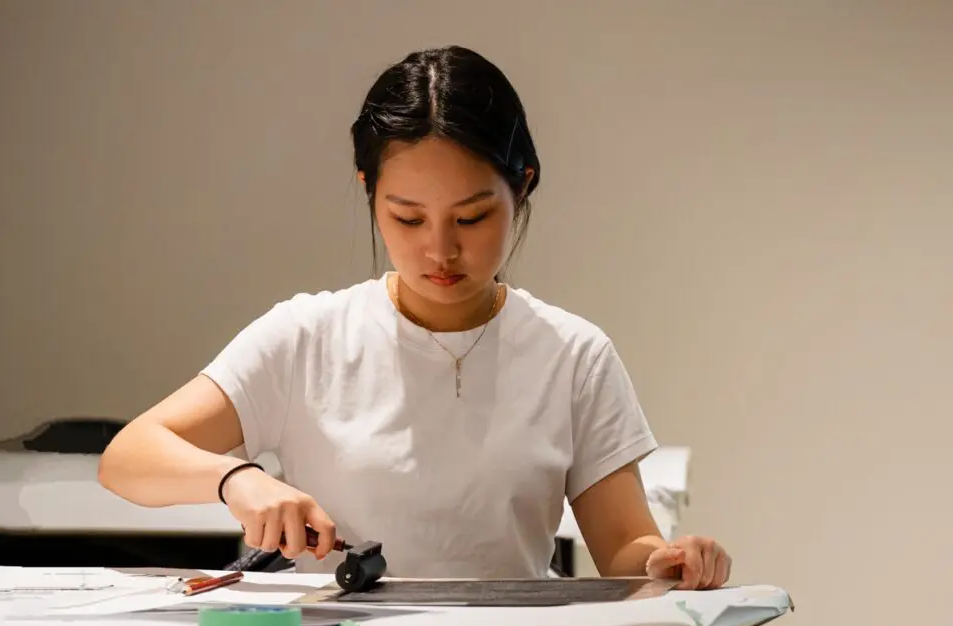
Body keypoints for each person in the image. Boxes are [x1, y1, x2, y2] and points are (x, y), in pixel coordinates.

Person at [98, 45, 732, 590]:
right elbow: (128, 457)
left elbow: (625, 547)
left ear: (523, 187)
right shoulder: (309, 337)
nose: (440, 249)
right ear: (369, 193)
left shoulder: (574, 356)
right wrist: (238, 479)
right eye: (407, 218)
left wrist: (669, 563)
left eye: (473, 217)